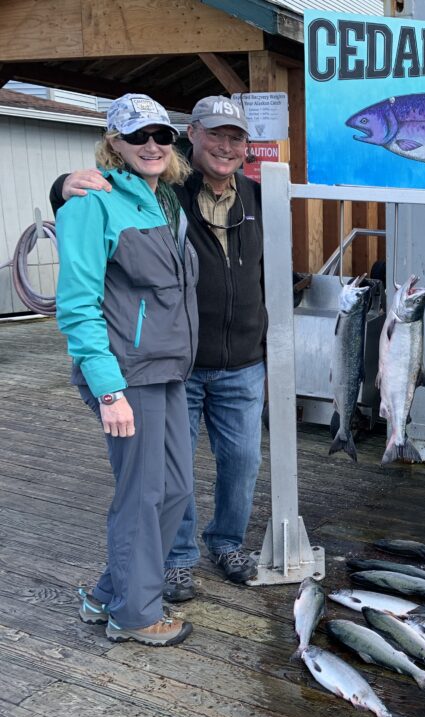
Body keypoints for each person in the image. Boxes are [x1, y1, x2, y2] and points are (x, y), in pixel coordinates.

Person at [54, 96, 266, 600]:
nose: (226, 146)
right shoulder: (170, 188)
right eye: (215, 134)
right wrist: (62, 188)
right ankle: (164, 571)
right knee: (163, 484)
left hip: (236, 360)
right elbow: (92, 228)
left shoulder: (252, 197)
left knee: (228, 466)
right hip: (165, 365)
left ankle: (222, 544)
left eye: (236, 138)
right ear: (192, 136)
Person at [55, 94, 197, 646]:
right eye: (138, 137)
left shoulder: (166, 202)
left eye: (161, 135)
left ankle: (107, 594)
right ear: (114, 143)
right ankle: (135, 615)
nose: (152, 146)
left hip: (167, 370)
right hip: (127, 376)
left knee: (176, 490)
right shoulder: (91, 204)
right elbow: (78, 303)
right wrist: (108, 389)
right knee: (143, 493)